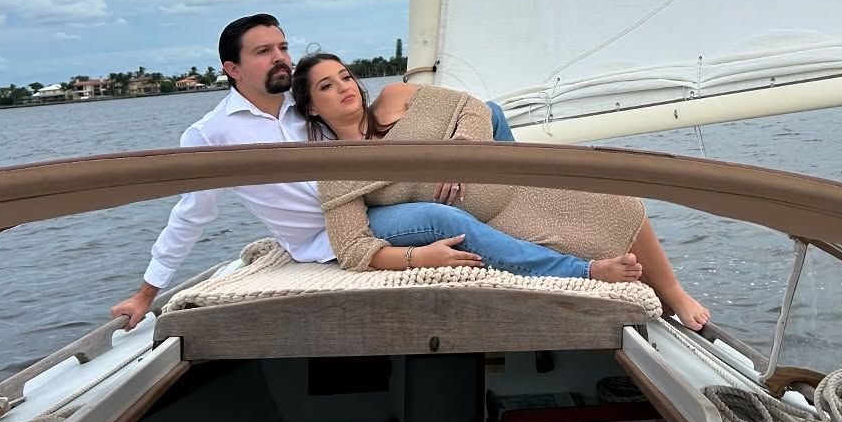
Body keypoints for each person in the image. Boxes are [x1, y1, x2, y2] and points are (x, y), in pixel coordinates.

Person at [109, 14, 581, 329]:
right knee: (440, 218)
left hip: (377, 200)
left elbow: (377, 132)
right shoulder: (212, 134)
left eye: (283, 47)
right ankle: (575, 271)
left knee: (489, 117)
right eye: (263, 51)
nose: (280, 57)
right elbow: (191, 215)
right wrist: (146, 294)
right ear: (232, 68)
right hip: (335, 235)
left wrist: (453, 149)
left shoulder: (309, 105)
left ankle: (537, 207)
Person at [294, 53, 712, 329]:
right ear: (311, 107)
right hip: (482, 219)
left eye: (345, 76)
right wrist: (418, 257)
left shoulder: (396, 97)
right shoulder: (338, 168)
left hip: (505, 182)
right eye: (326, 86)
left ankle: (672, 292)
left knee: (615, 199)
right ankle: (587, 272)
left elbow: (473, 109)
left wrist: (456, 156)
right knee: (558, 237)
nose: (344, 87)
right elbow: (352, 249)